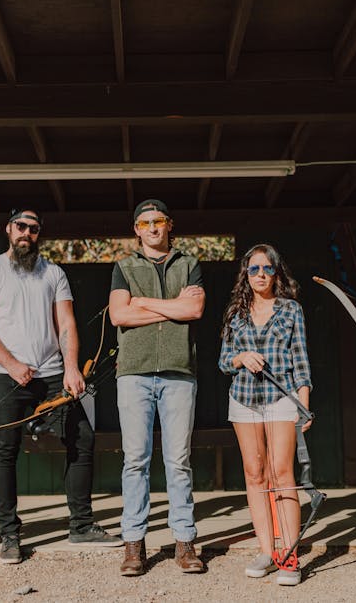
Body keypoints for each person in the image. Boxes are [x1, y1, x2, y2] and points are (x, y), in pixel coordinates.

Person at [0, 208, 121, 564]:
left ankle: (81, 525)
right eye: (21, 226)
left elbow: (66, 323)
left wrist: (71, 368)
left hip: (53, 373)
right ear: (8, 229)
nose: (27, 233)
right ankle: (9, 535)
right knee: (4, 450)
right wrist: (11, 364)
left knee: (81, 439)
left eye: (34, 229)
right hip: (3, 374)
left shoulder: (53, 272)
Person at [108, 199, 206, 576]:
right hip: (134, 373)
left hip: (179, 372)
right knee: (135, 460)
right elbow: (119, 314)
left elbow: (193, 311)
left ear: (169, 224)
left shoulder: (189, 264)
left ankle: (184, 543)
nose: (152, 228)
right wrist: (171, 305)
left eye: (159, 221)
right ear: (136, 229)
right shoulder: (123, 266)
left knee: (178, 460)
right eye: (145, 222)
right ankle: (134, 545)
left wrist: (143, 303)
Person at [218, 244, 312, 587]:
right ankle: (265, 550)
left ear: (276, 273)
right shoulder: (235, 313)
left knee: (281, 472)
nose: (260, 274)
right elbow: (223, 361)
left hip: (282, 397)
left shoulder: (290, 310)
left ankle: (289, 554)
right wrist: (241, 358)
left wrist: (304, 405)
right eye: (254, 268)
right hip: (243, 400)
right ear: (246, 272)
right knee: (254, 474)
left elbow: (301, 361)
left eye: (267, 269)